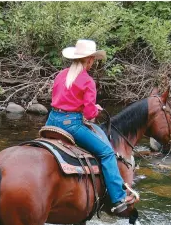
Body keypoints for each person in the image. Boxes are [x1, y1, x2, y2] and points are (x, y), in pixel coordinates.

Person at [45, 39, 136, 214]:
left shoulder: (61, 74)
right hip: (71, 125)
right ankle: (118, 198)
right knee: (107, 153)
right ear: (89, 60)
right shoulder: (87, 81)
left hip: (51, 121)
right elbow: (88, 114)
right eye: (93, 59)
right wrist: (96, 109)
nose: (93, 62)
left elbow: (59, 98)